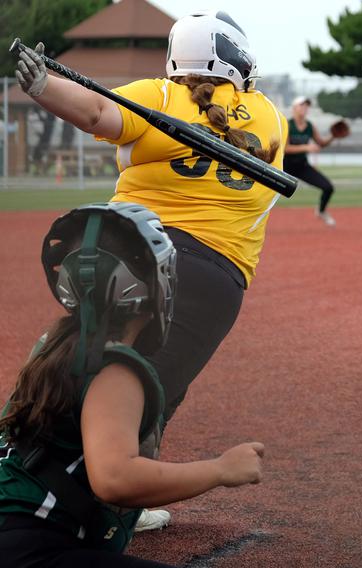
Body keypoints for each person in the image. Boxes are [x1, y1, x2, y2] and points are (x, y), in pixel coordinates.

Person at [13, 9, 285, 528]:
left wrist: (44, 84)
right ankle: (107, 495)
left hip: (132, 251)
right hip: (216, 274)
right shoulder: (269, 113)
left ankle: (61, 481)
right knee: (153, 389)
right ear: (238, 58)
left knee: (84, 362)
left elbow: (95, 113)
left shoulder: (160, 96)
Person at [0, 203, 264, 567]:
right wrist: (221, 469)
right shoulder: (113, 367)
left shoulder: (55, 345)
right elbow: (115, 478)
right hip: (32, 547)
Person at [284, 97, 338, 227]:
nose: (304, 108)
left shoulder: (309, 126)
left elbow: (321, 143)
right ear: (294, 108)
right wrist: (306, 147)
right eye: (301, 105)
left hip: (302, 166)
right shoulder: (287, 124)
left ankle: (321, 211)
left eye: (306, 106)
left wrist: (333, 136)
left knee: (328, 187)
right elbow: (285, 148)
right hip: (284, 167)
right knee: (266, 194)